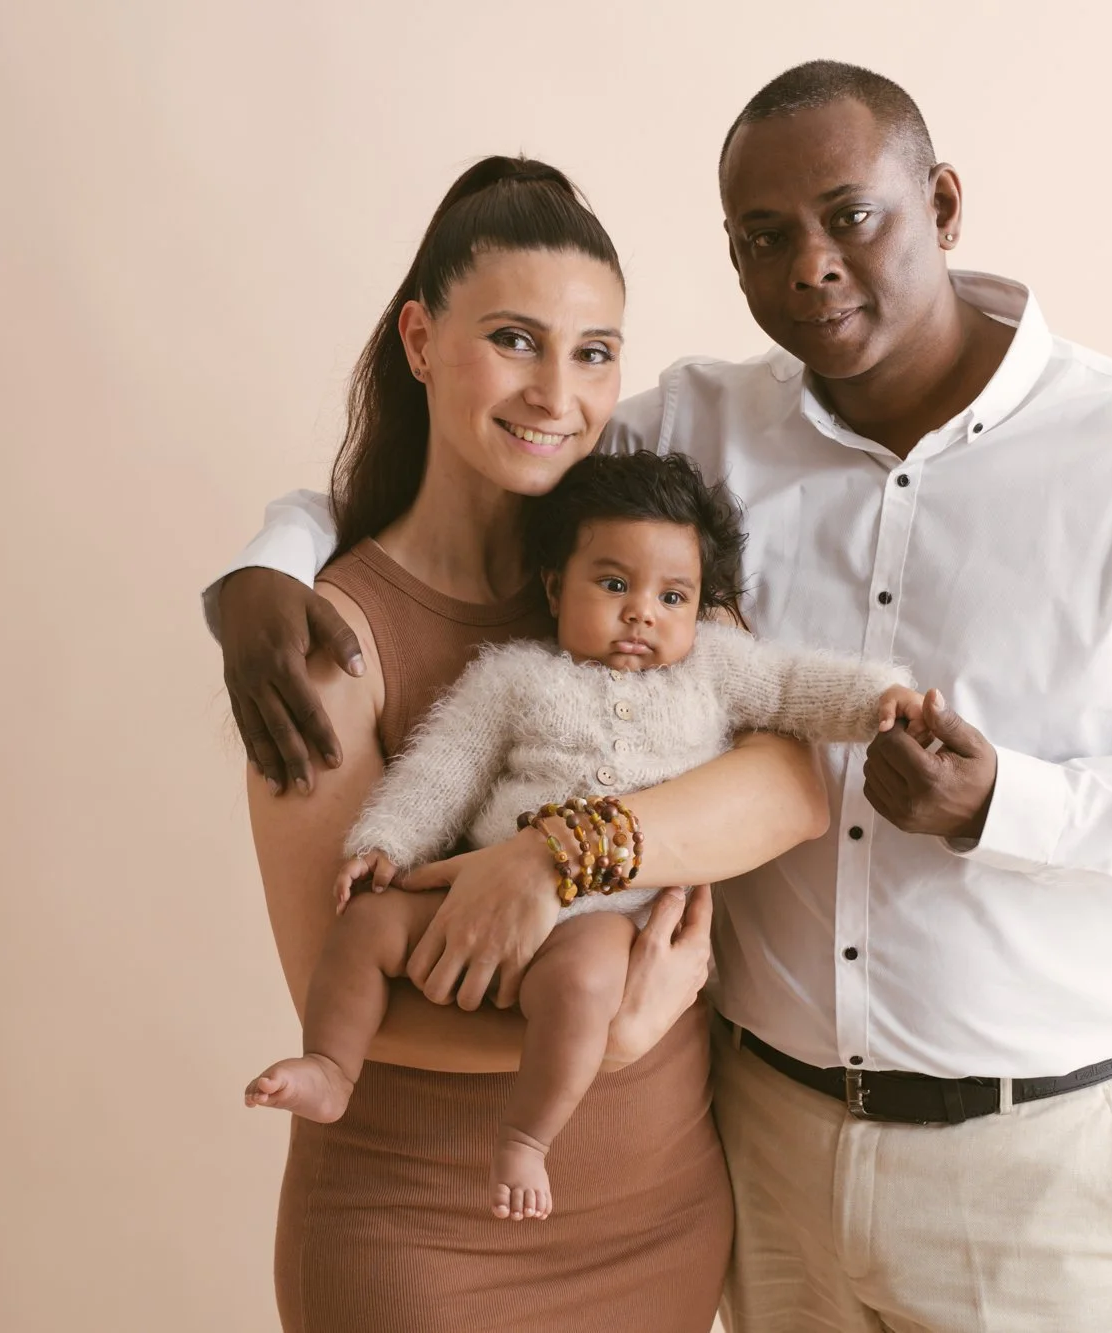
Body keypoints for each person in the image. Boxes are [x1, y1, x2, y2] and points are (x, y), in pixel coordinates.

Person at [211, 62, 1112, 1331]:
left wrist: (1007, 806)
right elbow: (501, 444)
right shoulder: (693, 436)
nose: (807, 265)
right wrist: (271, 553)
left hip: (1021, 1161)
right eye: (762, 238)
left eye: (848, 214)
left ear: (943, 203)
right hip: (757, 1140)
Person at [237, 153, 844, 1332]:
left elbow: (788, 785)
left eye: (594, 352)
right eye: (513, 340)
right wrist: (614, 1030)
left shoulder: (633, 578)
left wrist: (559, 855)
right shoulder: (326, 636)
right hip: (417, 1234)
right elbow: (338, 967)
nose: (556, 393)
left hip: (659, 1210)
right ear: (419, 340)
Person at [246, 450, 920, 1223]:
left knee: (587, 986)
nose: (642, 612)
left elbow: (796, 686)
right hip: (475, 891)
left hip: (608, 917)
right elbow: (446, 768)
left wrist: (881, 700)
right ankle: (331, 1066)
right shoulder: (514, 677)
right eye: (613, 585)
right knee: (366, 922)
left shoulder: (713, 667)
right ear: (552, 585)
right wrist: (387, 841)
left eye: (673, 595)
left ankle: (528, 1137)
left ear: (701, 607)